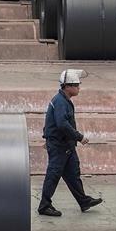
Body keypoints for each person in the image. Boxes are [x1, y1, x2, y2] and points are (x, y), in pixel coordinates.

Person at [39, 69, 104, 217]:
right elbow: (62, 124)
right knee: (53, 175)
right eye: (76, 85)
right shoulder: (60, 102)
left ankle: (83, 201)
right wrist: (79, 137)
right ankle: (44, 205)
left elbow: (52, 122)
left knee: (73, 174)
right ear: (67, 86)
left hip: (66, 145)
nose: (78, 88)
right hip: (60, 146)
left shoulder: (63, 101)